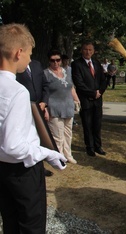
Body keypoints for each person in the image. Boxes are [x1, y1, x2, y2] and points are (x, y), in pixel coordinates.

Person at [0, 23, 67, 234]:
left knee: (10, 221)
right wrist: (47, 153)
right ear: (18, 53)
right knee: (31, 225)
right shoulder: (18, 91)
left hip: (1, 171)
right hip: (22, 171)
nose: (30, 59)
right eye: (29, 53)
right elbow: (13, 146)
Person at [16, 58, 56, 178]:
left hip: (39, 108)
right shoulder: (16, 66)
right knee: (27, 138)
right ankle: (28, 165)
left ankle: (40, 166)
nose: (29, 56)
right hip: (24, 109)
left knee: (39, 138)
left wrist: (44, 102)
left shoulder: (36, 65)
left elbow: (45, 84)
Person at [71, 41, 107, 157]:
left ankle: (98, 146)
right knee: (87, 124)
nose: (88, 52)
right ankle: (90, 147)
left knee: (97, 125)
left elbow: (103, 80)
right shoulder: (76, 64)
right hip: (86, 100)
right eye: (86, 49)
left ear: (93, 51)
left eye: (90, 50)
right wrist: (92, 93)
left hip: (97, 101)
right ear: (82, 50)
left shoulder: (97, 64)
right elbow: (79, 83)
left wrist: (99, 92)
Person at [44, 49, 80, 164]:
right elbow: (44, 91)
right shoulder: (45, 73)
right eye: (53, 60)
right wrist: (45, 107)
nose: (55, 63)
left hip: (68, 106)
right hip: (54, 107)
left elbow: (71, 87)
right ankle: (59, 157)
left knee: (68, 133)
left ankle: (68, 155)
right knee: (57, 136)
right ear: (49, 61)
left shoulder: (67, 71)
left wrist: (76, 99)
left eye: (58, 60)